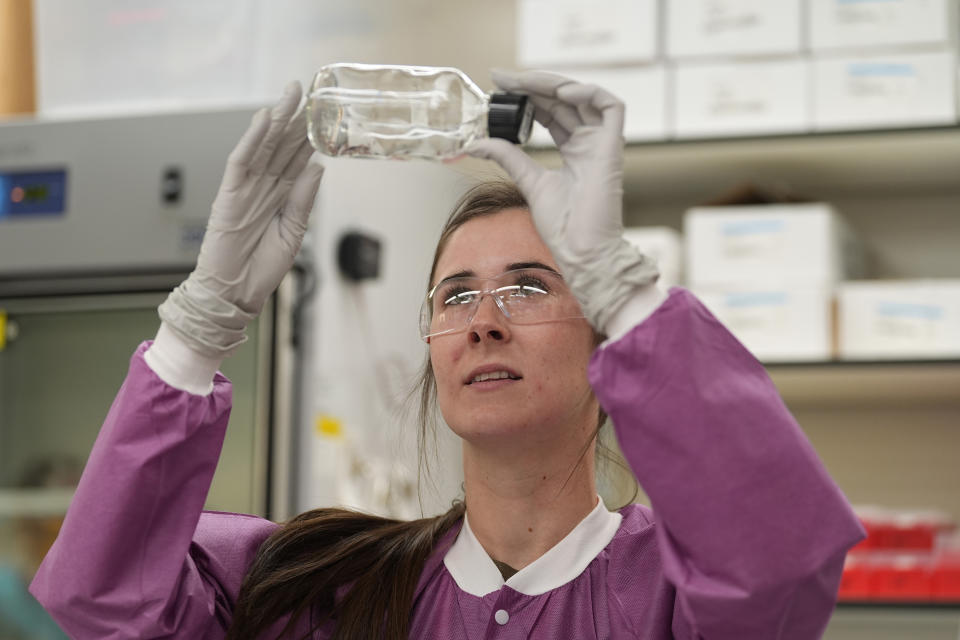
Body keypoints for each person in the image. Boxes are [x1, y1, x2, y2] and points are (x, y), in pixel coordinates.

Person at [29, 71, 865, 639]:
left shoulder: (673, 596)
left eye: (532, 286)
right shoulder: (317, 588)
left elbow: (780, 565)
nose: (485, 321)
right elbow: (99, 602)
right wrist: (199, 323)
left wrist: (622, 281)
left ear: (609, 346)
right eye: (456, 294)